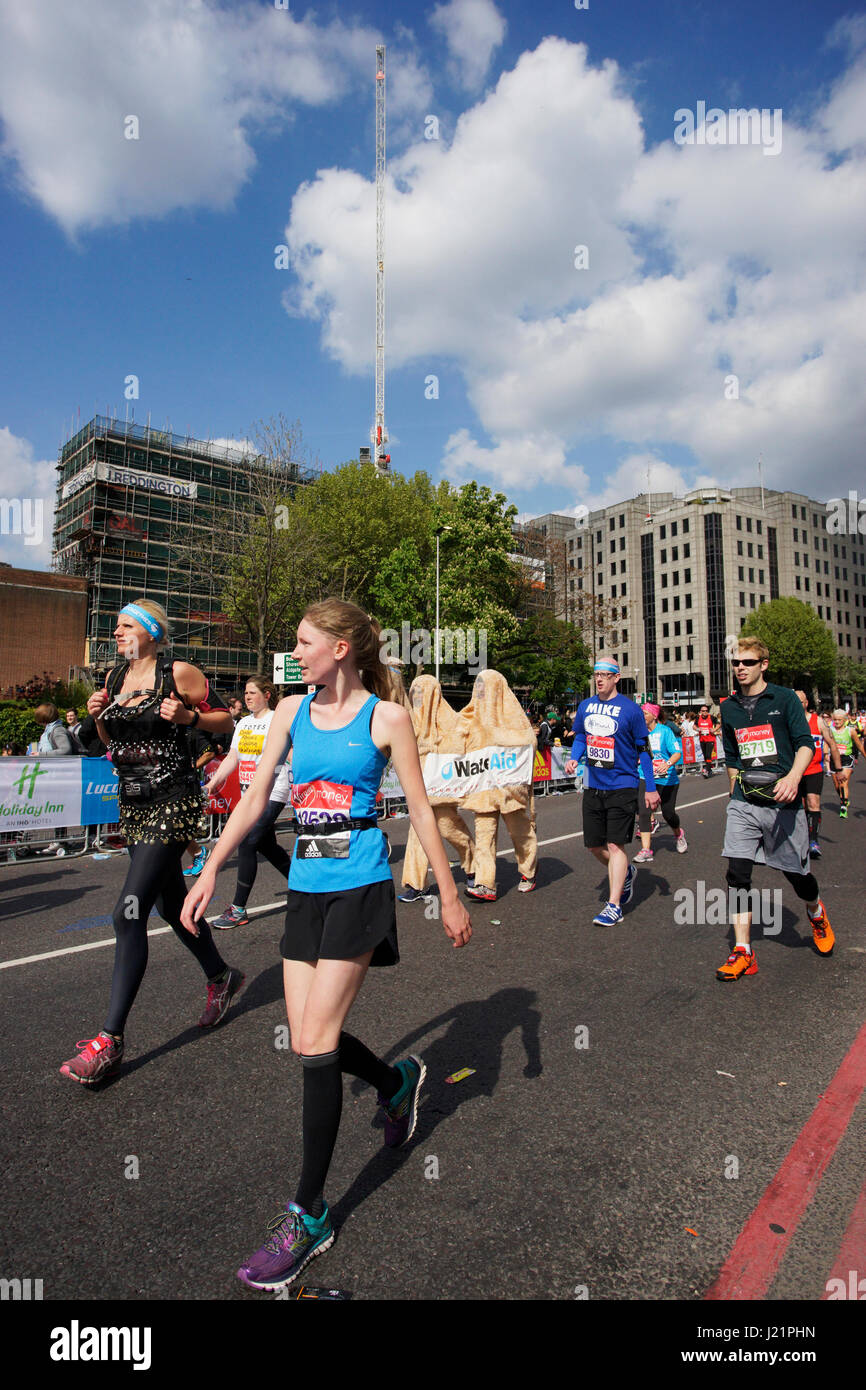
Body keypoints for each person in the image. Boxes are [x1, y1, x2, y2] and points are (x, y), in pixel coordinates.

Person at [182, 598, 471, 1292]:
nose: (297, 652)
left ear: (341, 648)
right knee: (310, 1035)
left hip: (360, 886)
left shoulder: (385, 717)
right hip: (307, 891)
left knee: (314, 1045)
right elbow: (255, 801)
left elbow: (420, 806)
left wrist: (450, 893)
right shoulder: (289, 712)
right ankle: (395, 1081)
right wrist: (212, 865)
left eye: (306, 642)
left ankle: (308, 1215)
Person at [59, 599, 241, 1085]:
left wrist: (189, 718)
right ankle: (221, 975)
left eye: (123, 626)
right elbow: (107, 742)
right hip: (133, 805)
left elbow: (227, 723)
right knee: (167, 906)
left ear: (150, 632)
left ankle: (109, 1041)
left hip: (173, 800)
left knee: (128, 911)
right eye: (116, 627)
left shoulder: (177, 672)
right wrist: (99, 716)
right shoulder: (115, 679)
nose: (115, 633)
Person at [715, 637, 834, 982]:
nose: (740, 668)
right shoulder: (729, 706)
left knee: (797, 876)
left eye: (748, 662)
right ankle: (743, 952)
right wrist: (733, 790)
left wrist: (795, 777)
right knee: (737, 873)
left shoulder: (783, 699)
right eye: (736, 662)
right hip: (744, 801)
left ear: (763, 664)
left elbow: (805, 744)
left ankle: (815, 913)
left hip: (783, 801)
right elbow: (733, 755)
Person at [565, 660, 660, 926]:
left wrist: (650, 788)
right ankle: (626, 871)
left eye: (605, 676)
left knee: (616, 844)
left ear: (617, 678)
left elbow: (644, 751)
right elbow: (582, 736)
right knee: (594, 846)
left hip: (623, 784)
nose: (599, 680)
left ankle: (614, 905)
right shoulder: (585, 706)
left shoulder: (631, 710)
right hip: (593, 785)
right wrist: (575, 757)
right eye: (596, 675)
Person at [206, 676, 294, 924]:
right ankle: (305, 886)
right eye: (245, 693)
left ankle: (238, 909)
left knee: (247, 843)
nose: (247, 697)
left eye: (253, 692)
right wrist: (214, 782)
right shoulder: (243, 723)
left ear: (267, 695)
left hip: (273, 789)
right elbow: (233, 757)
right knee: (268, 846)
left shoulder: (276, 719)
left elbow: (290, 752)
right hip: (249, 794)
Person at [458, 670, 538, 901]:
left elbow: (528, 741)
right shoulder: (470, 717)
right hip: (483, 789)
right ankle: (486, 884)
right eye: (478, 687)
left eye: (485, 687)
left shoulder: (512, 715)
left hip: (509, 790)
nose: (481, 692)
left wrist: (494, 736)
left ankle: (529, 871)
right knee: (484, 836)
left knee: (520, 833)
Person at [399, 675, 475, 903]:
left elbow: (465, 747)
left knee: (451, 828)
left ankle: (475, 867)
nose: (418, 697)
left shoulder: (453, 720)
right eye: (415, 692)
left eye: (422, 692)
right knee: (418, 833)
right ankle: (416, 883)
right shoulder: (409, 720)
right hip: (419, 789)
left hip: (443, 790)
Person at [633, 703, 687, 862]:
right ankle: (646, 849)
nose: (642, 716)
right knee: (644, 811)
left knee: (668, 814)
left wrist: (667, 764)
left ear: (654, 716)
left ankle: (678, 834)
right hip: (645, 776)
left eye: (645, 713)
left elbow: (677, 753)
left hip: (666, 779)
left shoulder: (665, 731)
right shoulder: (638, 733)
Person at [794, 691, 841, 857]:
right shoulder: (788, 722)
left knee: (813, 802)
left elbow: (832, 744)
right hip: (795, 772)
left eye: (800, 702)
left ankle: (813, 840)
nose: (798, 705)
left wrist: (838, 768)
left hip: (814, 769)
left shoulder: (818, 721)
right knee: (801, 806)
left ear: (806, 703)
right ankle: (802, 836)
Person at [828, 708, 865, 819]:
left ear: (844, 720)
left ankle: (843, 806)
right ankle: (844, 799)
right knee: (836, 785)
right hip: (834, 759)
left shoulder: (850, 731)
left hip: (847, 758)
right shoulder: (830, 730)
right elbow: (825, 743)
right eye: (835, 720)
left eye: (839, 720)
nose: (837, 722)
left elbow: (859, 745)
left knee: (843, 782)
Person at [696, 704, 719, 778]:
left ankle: (706, 769)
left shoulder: (712, 717)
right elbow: (694, 726)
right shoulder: (698, 718)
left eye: (706, 711)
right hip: (702, 739)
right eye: (703, 711)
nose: (705, 712)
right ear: (700, 712)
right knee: (705, 756)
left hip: (710, 739)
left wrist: (714, 729)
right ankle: (709, 770)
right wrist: (698, 729)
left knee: (709, 755)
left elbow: (719, 724)